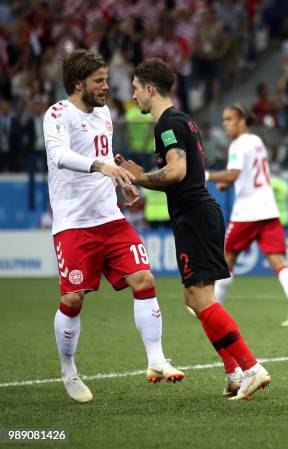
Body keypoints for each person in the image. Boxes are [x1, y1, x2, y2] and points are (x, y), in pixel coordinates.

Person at [115, 58, 269, 400]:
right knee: (196, 298)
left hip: (194, 215)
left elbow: (176, 172)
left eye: (137, 89)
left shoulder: (167, 124)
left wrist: (138, 176)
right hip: (200, 212)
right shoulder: (184, 121)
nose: (134, 95)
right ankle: (233, 372)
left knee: (199, 298)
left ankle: (252, 367)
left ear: (150, 89)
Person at [43, 50, 184, 403]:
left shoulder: (105, 114)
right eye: (99, 81)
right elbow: (59, 155)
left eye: (107, 79)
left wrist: (122, 181)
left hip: (110, 219)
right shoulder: (58, 113)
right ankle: (69, 370)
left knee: (145, 280)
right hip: (74, 224)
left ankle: (156, 360)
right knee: (73, 298)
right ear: (78, 84)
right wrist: (101, 167)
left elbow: (105, 161)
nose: (107, 87)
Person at [208, 103, 288, 327]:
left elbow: (235, 173)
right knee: (278, 262)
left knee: (228, 259)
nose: (225, 124)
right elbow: (248, 173)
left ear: (242, 121)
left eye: (229, 120)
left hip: (246, 212)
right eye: (224, 120)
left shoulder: (237, 145)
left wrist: (207, 175)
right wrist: (227, 183)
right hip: (268, 209)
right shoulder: (257, 141)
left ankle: (213, 311)